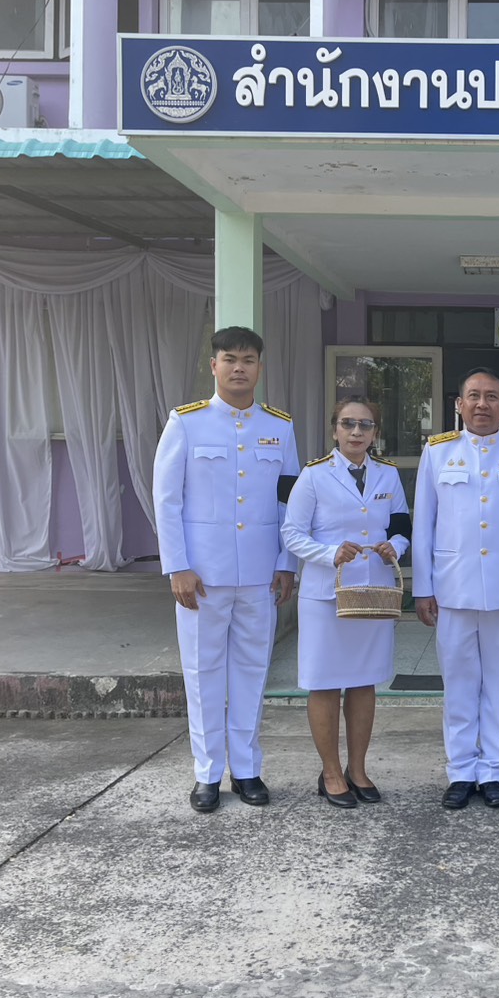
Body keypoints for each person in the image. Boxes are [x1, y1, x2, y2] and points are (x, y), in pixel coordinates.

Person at [153, 326, 300, 814]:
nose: (239, 367)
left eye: (249, 360)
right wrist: (177, 566)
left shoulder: (280, 427)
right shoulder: (187, 423)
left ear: (260, 367)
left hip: (260, 574)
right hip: (202, 576)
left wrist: (286, 562)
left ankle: (248, 769)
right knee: (202, 674)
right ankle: (207, 774)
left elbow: (289, 503)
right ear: (213, 365)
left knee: (252, 673)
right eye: (230, 359)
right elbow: (167, 500)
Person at [413, 368, 499, 809]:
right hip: (452, 587)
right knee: (458, 684)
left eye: (492, 396)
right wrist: (422, 587)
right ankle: (460, 771)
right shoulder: (438, 451)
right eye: (473, 396)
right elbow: (423, 523)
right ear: (459, 404)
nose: (482, 404)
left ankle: (493, 770)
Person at [283, 397, 409, 809]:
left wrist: (394, 547)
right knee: (324, 682)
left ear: (375, 432)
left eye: (365, 425)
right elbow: (292, 533)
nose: (356, 432)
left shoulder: (388, 474)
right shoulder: (314, 475)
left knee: (363, 681)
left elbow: (402, 527)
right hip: (326, 597)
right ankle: (331, 773)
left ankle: (358, 769)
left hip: (372, 594)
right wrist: (329, 552)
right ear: (334, 429)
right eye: (348, 424)